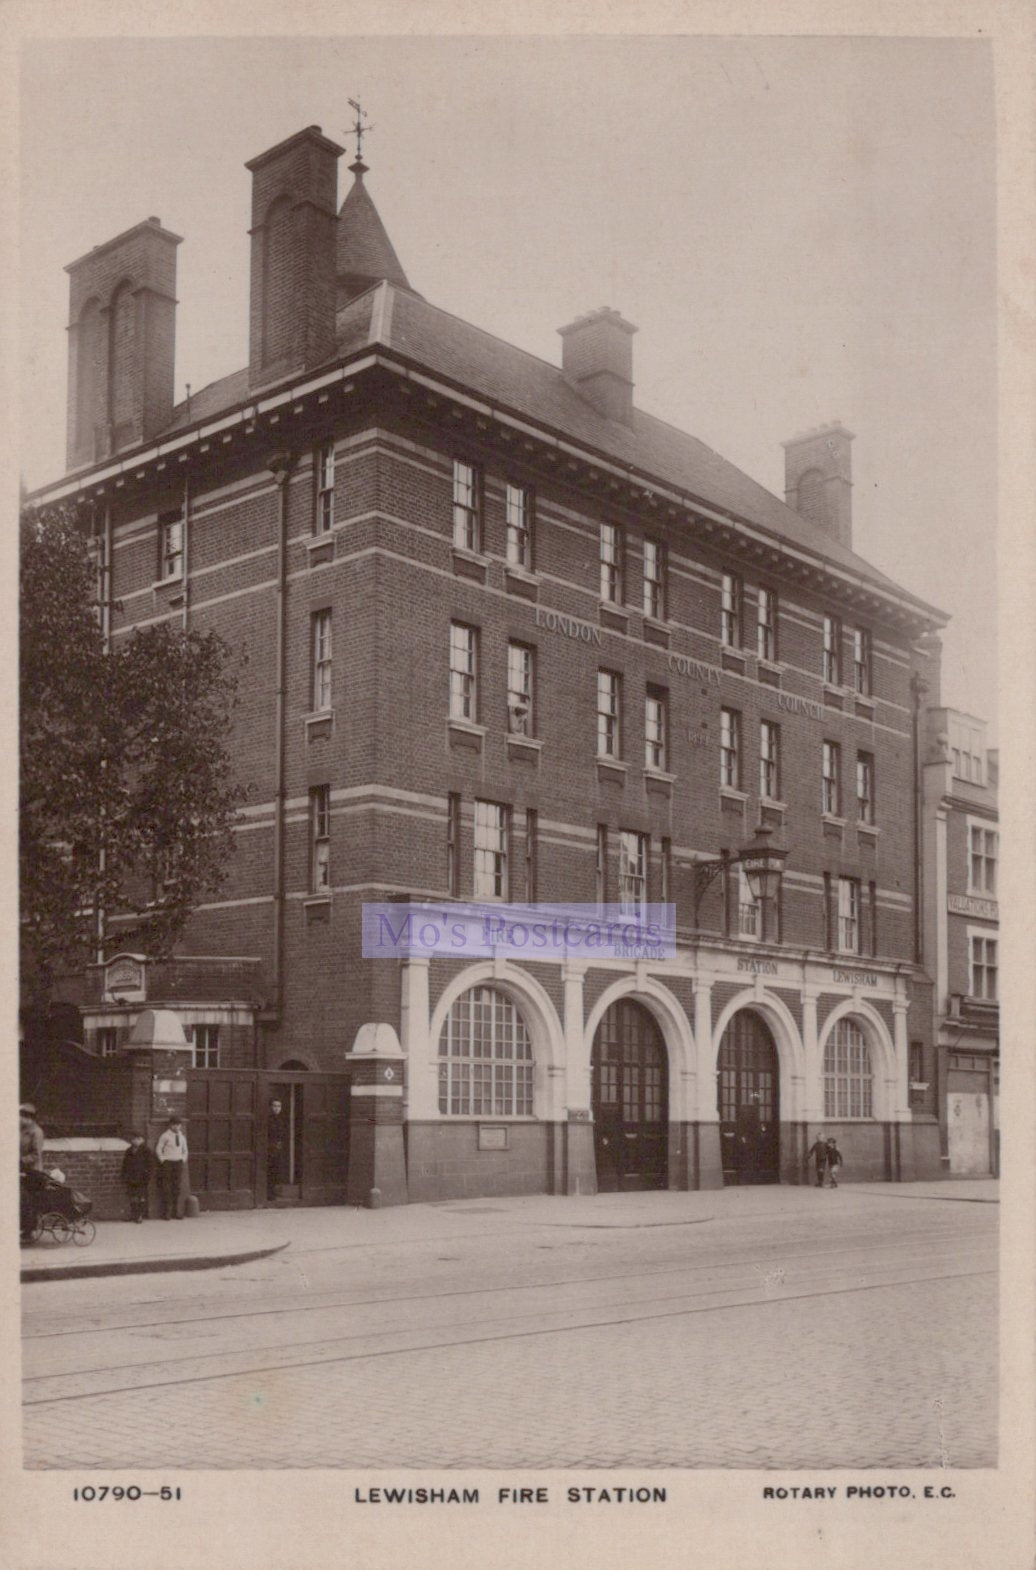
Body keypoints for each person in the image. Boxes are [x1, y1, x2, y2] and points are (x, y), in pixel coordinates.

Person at [19, 1103, 48, 1242]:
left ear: (29, 1118)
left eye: (21, 1116)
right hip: (22, 1170)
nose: (19, 1119)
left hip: (33, 1172)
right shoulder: (20, 1130)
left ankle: (28, 1232)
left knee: (27, 1201)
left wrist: (20, 1160)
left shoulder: (36, 1132)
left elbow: (36, 1155)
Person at [155, 1116, 189, 1219]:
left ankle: (176, 1211)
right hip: (168, 1163)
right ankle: (167, 1212)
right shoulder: (165, 1136)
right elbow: (158, 1149)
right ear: (170, 1125)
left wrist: (182, 1159)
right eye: (175, 1124)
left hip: (178, 1163)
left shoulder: (182, 1137)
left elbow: (185, 1150)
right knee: (167, 1187)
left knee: (176, 1186)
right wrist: (163, 1160)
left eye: (179, 1125)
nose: (177, 1127)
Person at [121, 1132, 155, 1222]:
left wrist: (147, 1175)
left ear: (141, 1139)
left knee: (141, 1196)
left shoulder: (146, 1150)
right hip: (131, 1177)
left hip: (141, 1177)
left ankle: (140, 1215)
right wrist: (124, 1175)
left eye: (136, 1139)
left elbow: (150, 1165)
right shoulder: (129, 1150)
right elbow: (125, 1164)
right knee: (132, 1196)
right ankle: (133, 1214)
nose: (134, 1141)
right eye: (133, 1139)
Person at [267, 1098, 286, 1197]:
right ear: (271, 1107)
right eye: (275, 1106)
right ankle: (269, 1193)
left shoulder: (281, 1120)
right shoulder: (268, 1120)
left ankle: (275, 1192)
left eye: (279, 1106)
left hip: (277, 1149)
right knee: (270, 1171)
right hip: (269, 1149)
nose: (277, 1108)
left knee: (276, 1171)